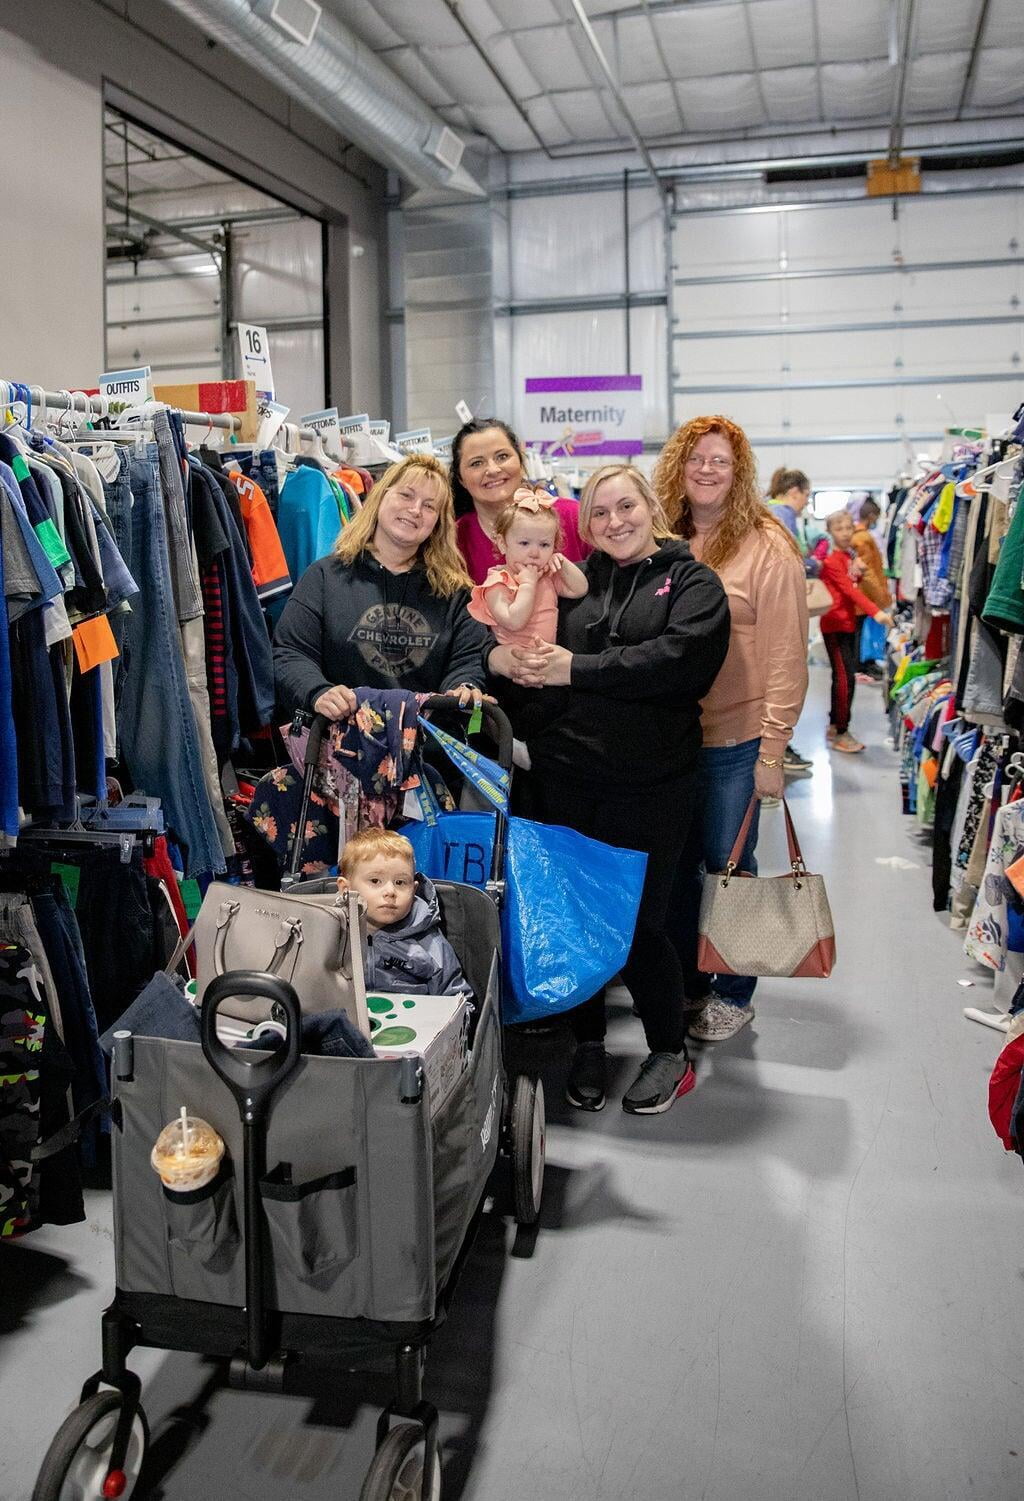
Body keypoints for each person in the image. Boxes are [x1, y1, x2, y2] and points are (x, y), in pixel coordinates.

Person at [490, 464, 730, 1115]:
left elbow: (681, 664)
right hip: (567, 778)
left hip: (653, 785)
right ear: (586, 526)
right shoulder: (576, 583)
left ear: (650, 504)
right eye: (599, 513)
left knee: (644, 922)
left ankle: (667, 1048)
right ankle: (589, 1041)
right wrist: (502, 662)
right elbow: (523, 649)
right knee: (579, 918)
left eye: (625, 505)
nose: (615, 520)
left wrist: (580, 668)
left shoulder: (693, 583)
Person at [655, 415, 809, 1043]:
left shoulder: (768, 546)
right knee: (682, 867)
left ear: (739, 472)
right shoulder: (665, 536)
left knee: (730, 867)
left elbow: (785, 658)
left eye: (721, 461)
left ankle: (735, 993)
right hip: (670, 739)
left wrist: (773, 748)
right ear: (678, 468)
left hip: (737, 737)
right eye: (697, 460)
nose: (707, 471)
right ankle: (692, 984)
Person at [273, 452, 490, 719]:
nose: (415, 510)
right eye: (406, 495)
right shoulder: (324, 577)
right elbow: (290, 652)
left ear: (437, 523)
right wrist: (318, 692)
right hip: (339, 747)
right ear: (380, 498)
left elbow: (468, 661)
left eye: (429, 506)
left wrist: (463, 688)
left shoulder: (456, 594)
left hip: (426, 750)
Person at [451, 418, 590, 584]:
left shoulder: (574, 516)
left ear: (521, 461)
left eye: (502, 456)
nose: (493, 470)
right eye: (476, 463)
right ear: (460, 478)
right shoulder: (453, 541)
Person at [338, 827, 471, 998]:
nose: (390, 891)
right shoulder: (331, 934)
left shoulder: (428, 942)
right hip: (342, 1020)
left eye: (400, 882)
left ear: (414, 890)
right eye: (375, 881)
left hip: (413, 1021)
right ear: (345, 889)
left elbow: (457, 998)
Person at [467, 486, 588, 646]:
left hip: (547, 660)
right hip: (513, 663)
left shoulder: (546, 576)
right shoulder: (497, 582)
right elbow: (513, 622)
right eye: (524, 543)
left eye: (544, 544)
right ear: (503, 544)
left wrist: (562, 563)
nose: (534, 553)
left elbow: (580, 589)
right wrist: (527, 585)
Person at [820, 509, 893, 754]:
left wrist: (857, 572)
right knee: (845, 678)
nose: (844, 533)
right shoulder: (833, 561)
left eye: (848, 528)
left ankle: (835, 725)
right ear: (830, 532)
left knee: (842, 677)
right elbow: (850, 592)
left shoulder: (846, 557)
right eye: (838, 529)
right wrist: (878, 613)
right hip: (836, 625)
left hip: (847, 623)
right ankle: (842, 731)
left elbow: (851, 585)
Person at [767, 466, 818, 776]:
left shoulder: (765, 509)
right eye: (807, 496)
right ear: (794, 492)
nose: (806, 503)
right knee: (784, 676)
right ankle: (778, 751)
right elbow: (791, 557)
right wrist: (814, 564)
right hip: (778, 602)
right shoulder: (783, 514)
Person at [850, 500, 891, 682]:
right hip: (865, 594)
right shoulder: (863, 538)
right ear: (871, 515)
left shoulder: (859, 536)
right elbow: (867, 571)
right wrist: (880, 596)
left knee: (859, 631)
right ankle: (861, 666)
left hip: (863, 593)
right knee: (860, 632)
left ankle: (861, 666)